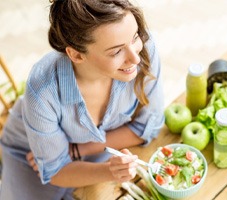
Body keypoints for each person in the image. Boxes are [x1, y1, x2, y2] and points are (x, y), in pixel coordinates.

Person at [0, 0, 164, 199]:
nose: (135, 59)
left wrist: (78, 150)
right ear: (76, 55)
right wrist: (109, 170)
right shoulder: (42, 90)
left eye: (135, 36)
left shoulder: (143, 50)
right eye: (116, 51)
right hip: (31, 154)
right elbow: (56, 170)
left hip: (98, 148)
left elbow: (149, 126)